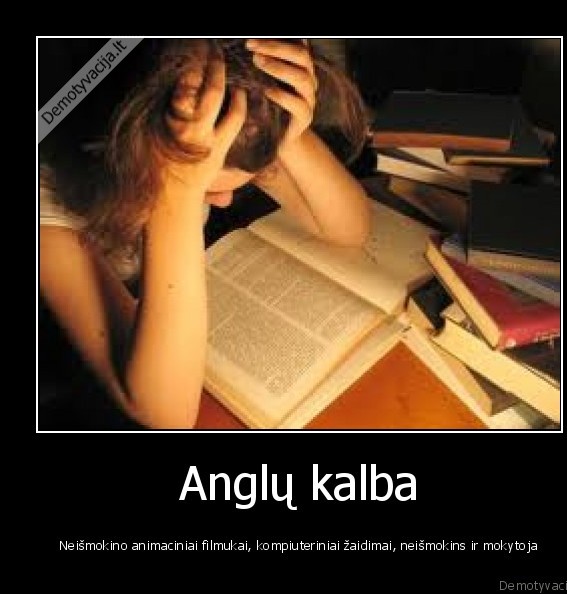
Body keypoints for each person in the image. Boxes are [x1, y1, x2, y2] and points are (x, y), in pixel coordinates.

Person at [39, 38, 371, 430]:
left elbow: (348, 230)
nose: (225, 201)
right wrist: (176, 197)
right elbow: (164, 416)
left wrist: (284, 128)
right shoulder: (50, 196)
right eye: (205, 188)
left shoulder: (207, 127)